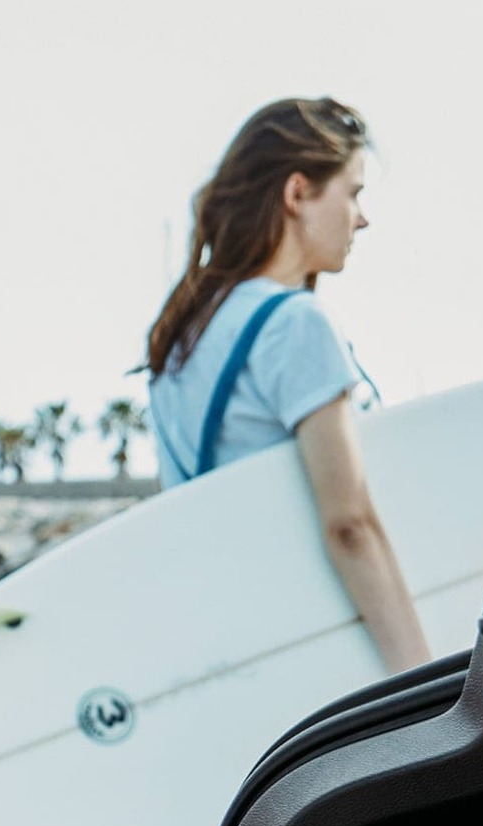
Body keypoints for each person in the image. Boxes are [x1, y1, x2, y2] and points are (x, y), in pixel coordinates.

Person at [145, 97, 432, 669]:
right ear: (298, 193)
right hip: (330, 639)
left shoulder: (182, 336)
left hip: (244, 641)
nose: (363, 217)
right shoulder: (295, 322)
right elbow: (349, 523)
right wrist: (421, 677)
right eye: (352, 193)